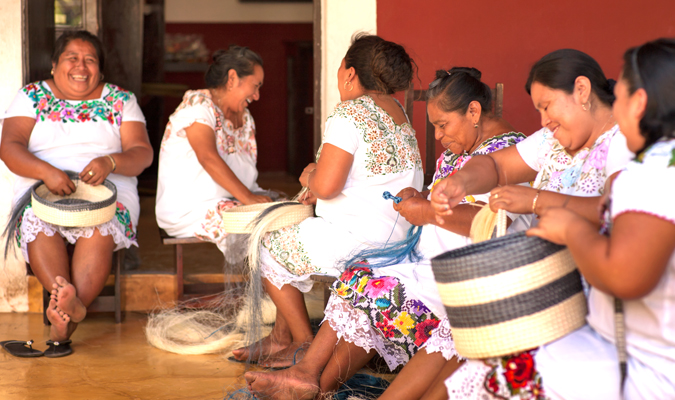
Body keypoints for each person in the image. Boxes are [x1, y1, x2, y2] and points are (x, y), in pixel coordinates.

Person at [244, 67, 529, 400]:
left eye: (442, 125)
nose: (438, 137)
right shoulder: (463, 150)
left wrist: (427, 211)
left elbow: (496, 222)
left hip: (468, 275)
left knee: (376, 289)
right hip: (431, 264)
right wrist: (419, 197)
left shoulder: (511, 153)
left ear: (474, 112)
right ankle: (308, 379)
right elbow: (450, 198)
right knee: (359, 277)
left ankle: (312, 384)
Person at [431, 49, 634, 399]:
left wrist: (537, 201)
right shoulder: (553, 141)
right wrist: (461, 182)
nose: (542, 121)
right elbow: (497, 167)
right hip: (539, 283)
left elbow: (619, 210)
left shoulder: (622, 141)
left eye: (546, 106)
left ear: (582, 91)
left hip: (589, 294)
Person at [231, 34, 424, 368]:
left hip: (362, 242)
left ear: (349, 74)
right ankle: (281, 337)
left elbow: (328, 186)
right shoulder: (398, 111)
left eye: (339, 70)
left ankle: (303, 343)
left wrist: (310, 177)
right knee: (295, 235)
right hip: (399, 237)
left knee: (267, 242)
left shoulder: (349, 113)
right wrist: (321, 178)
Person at [524, 38, 675, 400]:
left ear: (638, 103)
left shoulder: (654, 173)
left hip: (647, 367)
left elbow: (625, 277)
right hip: (642, 350)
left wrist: (571, 228)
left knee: (507, 373)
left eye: (619, 96)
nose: (615, 109)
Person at [0, 30, 153, 356]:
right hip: (41, 185)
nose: (80, 66)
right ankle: (73, 312)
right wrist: (46, 172)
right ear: (55, 65)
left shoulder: (120, 100)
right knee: (38, 223)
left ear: (100, 68)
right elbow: (9, 147)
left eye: (90, 60)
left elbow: (142, 153)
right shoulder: (31, 96)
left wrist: (111, 161)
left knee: (100, 224)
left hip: (107, 187)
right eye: (72, 58)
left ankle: (64, 322)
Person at [155, 45, 272, 254]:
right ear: (233, 78)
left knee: (281, 210)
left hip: (231, 200)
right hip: (190, 209)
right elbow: (208, 157)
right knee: (264, 226)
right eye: (255, 86)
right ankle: (265, 283)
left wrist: (252, 198)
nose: (257, 96)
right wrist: (248, 199)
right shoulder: (198, 105)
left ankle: (268, 281)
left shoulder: (245, 118)